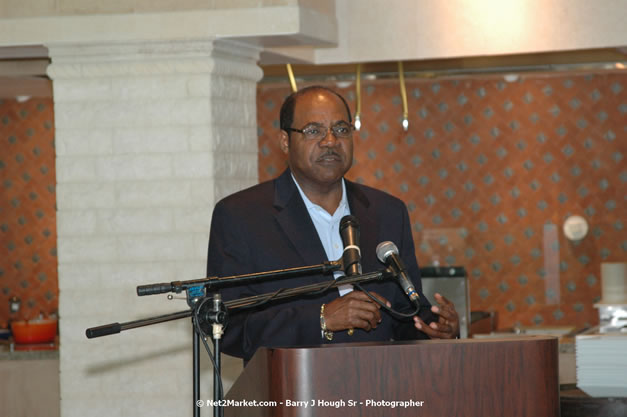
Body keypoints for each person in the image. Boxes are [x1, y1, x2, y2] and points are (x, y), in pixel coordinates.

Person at [207, 86, 459, 362]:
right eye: (313, 130)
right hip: (292, 394)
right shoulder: (242, 216)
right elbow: (226, 327)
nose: (330, 141)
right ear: (284, 141)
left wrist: (434, 329)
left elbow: (404, 315)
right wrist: (322, 319)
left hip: (381, 388)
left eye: (341, 129)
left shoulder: (387, 212)